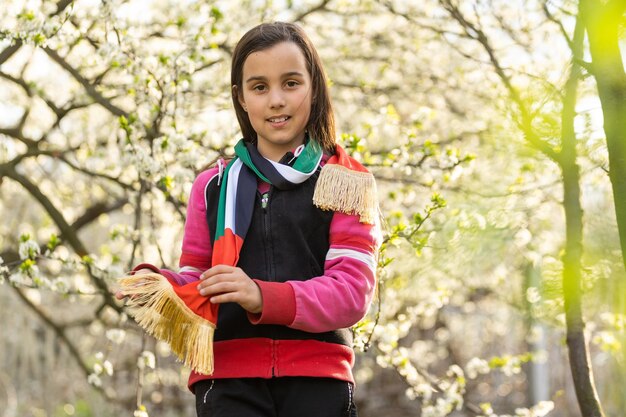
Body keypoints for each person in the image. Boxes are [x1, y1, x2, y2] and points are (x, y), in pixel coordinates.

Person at [118, 21, 381, 417]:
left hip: (317, 380)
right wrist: (161, 287)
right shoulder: (211, 186)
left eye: (291, 83)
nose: (276, 100)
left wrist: (262, 296)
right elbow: (202, 283)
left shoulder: (344, 181)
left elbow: (351, 292)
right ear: (241, 98)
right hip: (226, 381)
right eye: (259, 87)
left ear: (314, 87)